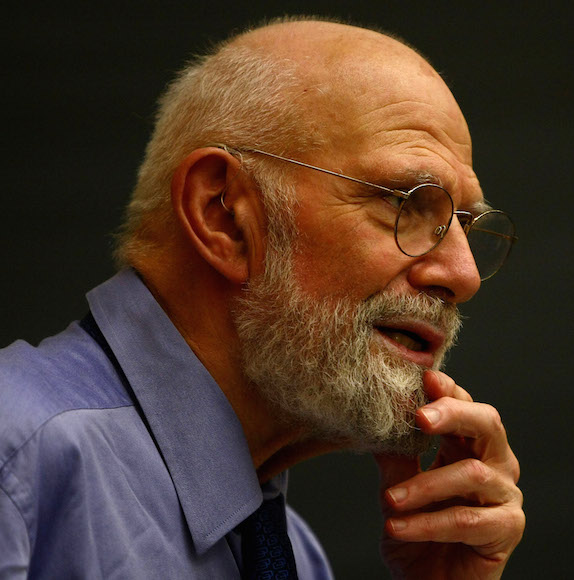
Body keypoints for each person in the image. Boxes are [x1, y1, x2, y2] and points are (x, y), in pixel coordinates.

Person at [0, 16, 524, 580]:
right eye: (406, 203)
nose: (464, 275)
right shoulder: (17, 462)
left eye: (467, 227)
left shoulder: (293, 555)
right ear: (223, 216)